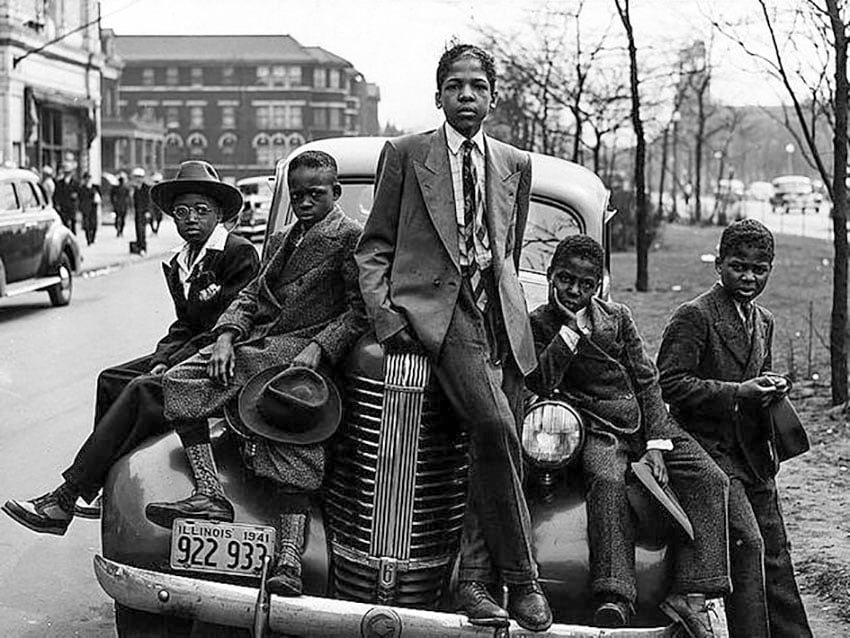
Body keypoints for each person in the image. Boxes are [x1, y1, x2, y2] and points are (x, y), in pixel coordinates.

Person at [354, 43, 552, 632]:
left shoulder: (515, 162)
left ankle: (472, 581)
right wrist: (391, 321)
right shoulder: (407, 153)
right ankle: (523, 580)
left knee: (494, 444)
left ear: (493, 96)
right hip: (438, 313)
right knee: (495, 427)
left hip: (501, 318)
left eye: (477, 86)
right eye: (455, 86)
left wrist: (508, 307)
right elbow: (374, 248)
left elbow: (507, 253)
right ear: (438, 95)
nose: (467, 96)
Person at [144, 150, 367, 596]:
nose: (304, 202)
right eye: (297, 194)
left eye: (315, 194)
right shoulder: (285, 237)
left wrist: (319, 350)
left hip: (300, 354)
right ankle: (209, 492)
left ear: (335, 193)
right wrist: (225, 335)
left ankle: (289, 562)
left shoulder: (350, 239)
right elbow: (251, 295)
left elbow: (359, 311)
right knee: (181, 379)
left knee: (292, 438)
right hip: (259, 344)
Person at [2, 160, 260, 535]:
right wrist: (160, 358)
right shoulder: (181, 260)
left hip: (222, 360)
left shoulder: (237, 253)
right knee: (111, 380)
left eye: (202, 211)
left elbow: (233, 323)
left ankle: (65, 498)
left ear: (219, 215)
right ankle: (104, 487)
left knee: (142, 390)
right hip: (189, 352)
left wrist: (167, 364)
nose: (191, 219)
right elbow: (185, 323)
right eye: (182, 211)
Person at [527, 235, 730, 637]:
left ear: (598, 284)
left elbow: (646, 379)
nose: (574, 291)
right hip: (598, 427)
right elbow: (541, 381)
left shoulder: (617, 316)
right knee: (605, 480)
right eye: (565, 279)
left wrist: (657, 441)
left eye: (585, 284)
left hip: (645, 424)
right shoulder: (538, 323)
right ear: (551, 275)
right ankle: (615, 593)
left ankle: (692, 590)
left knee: (711, 479)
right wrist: (569, 335)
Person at [657, 219, 812, 638]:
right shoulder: (694, 316)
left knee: (776, 551)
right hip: (708, 452)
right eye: (738, 266)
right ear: (719, 265)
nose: (748, 277)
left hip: (752, 453)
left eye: (758, 269)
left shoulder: (763, 320)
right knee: (748, 545)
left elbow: (753, 374)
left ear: (770, 270)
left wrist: (771, 386)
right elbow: (669, 383)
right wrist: (737, 391)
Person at [54, 161, 79, 234]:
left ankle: (73, 234)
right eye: (65, 172)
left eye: (68, 172)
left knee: (73, 220)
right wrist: (57, 203)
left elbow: (79, 192)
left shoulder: (75, 182)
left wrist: (75, 195)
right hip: (63, 204)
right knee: (64, 220)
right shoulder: (59, 183)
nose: (67, 174)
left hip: (72, 204)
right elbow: (57, 194)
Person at [79, 172, 101, 246]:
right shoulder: (82, 188)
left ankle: (93, 238)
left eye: (88, 178)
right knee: (87, 224)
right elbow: (80, 198)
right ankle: (88, 239)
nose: (87, 180)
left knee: (94, 224)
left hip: (93, 207)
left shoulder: (95, 187)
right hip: (85, 208)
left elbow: (99, 196)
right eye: (86, 178)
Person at [132, 167, 150, 254]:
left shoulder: (146, 188)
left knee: (142, 229)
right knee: (137, 229)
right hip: (137, 212)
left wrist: (147, 211)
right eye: (136, 177)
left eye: (139, 177)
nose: (137, 179)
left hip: (144, 211)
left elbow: (148, 201)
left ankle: (143, 247)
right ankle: (139, 245)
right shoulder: (136, 189)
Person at [111, 172, 131, 237]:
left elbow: (128, 197)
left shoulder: (126, 188)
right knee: (119, 219)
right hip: (119, 205)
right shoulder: (115, 188)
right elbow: (112, 196)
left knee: (121, 219)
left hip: (122, 205)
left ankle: (120, 231)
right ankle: (119, 230)